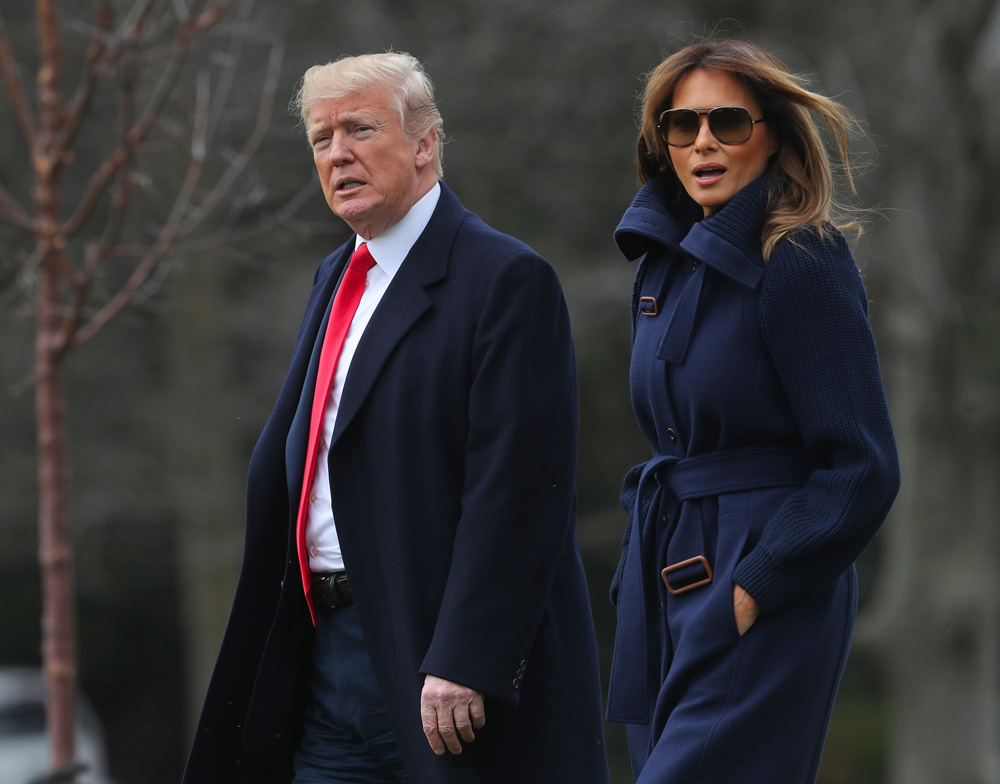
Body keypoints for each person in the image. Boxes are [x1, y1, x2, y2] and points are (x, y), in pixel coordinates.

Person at [182, 52, 609, 784]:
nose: (338, 153)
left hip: (442, 664)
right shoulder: (334, 277)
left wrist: (468, 656)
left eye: (360, 128)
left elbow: (520, 492)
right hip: (327, 654)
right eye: (321, 139)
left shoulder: (505, 279)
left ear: (424, 144)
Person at [605, 39, 900, 783]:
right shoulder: (660, 268)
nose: (703, 142)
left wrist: (757, 585)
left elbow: (863, 468)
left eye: (728, 122)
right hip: (665, 572)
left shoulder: (801, 258)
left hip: (762, 579)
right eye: (682, 125)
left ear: (770, 134)